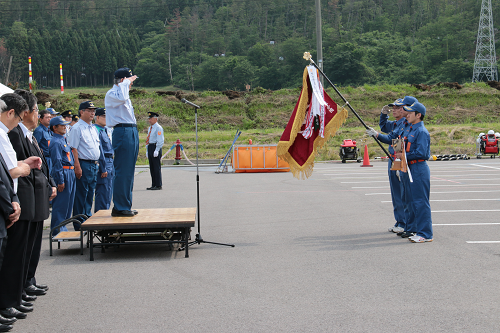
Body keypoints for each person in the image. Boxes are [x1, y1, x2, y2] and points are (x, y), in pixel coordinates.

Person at [0, 93, 41, 323]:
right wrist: (20, 170)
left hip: (11, 198)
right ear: (10, 113)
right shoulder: (7, 134)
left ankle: (12, 299)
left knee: (16, 254)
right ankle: (7, 302)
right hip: (7, 201)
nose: (20, 122)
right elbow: (5, 173)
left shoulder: (6, 134)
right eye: (19, 117)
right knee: (10, 256)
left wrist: (22, 166)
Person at [13, 90, 56, 300]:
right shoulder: (14, 134)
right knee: (21, 248)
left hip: (37, 196)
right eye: (37, 110)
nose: (39, 115)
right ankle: (19, 288)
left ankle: (29, 281)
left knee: (32, 246)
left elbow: (43, 165)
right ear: (27, 112)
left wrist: (51, 184)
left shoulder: (29, 135)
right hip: (24, 197)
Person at [378, 96, 417, 234]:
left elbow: (395, 141)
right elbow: (385, 128)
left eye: (398, 107)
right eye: (393, 108)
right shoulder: (396, 124)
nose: (394, 110)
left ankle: (405, 222)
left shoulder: (406, 123)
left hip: (399, 158)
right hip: (394, 158)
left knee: (403, 192)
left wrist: (398, 162)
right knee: (396, 191)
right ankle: (400, 221)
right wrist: (383, 116)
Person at [104, 67, 139, 217]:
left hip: (130, 131)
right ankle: (120, 206)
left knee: (129, 171)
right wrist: (126, 83)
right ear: (123, 80)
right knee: (123, 171)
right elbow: (123, 97)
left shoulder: (122, 92)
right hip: (123, 131)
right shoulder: (113, 93)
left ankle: (125, 204)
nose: (132, 84)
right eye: (130, 81)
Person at [401, 102, 433, 243]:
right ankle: (419, 230)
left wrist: (404, 156)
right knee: (414, 201)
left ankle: (425, 234)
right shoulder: (412, 129)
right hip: (411, 167)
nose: (407, 114)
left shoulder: (421, 131)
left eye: (410, 112)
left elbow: (422, 153)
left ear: (418, 115)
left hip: (418, 168)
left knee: (421, 202)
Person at [67, 101, 100, 221]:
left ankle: (87, 217)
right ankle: (79, 221)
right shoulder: (77, 128)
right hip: (83, 164)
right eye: (89, 110)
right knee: (82, 194)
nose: (93, 113)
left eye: (93, 111)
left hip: (93, 164)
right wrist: (77, 166)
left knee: (90, 194)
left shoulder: (92, 128)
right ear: (82, 112)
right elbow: (73, 148)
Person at [49, 116, 76, 236]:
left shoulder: (63, 139)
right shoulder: (55, 141)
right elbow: (57, 162)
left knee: (68, 204)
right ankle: (58, 230)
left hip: (70, 172)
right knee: (61, 203)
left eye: (66, 125)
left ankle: (63, 227)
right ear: (55, 128)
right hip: (63, 173)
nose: (65, 127)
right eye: (62, 125)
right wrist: (60, 180)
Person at [94, 108, 114, 212]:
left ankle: (104, 215)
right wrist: (103, 167)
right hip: (105, 162)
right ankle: (100, 219)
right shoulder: (96, 130)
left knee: (108, 193)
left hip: (110, 162)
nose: (107, 119)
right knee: (103, 193)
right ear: (97, 117)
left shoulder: (104, 129)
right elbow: (100, 151)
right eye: (104, 116)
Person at [146, 112, 164, 190]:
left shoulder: (158, 128)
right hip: (150, 146)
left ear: (155, 119)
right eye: (149, 119)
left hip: (155, 147)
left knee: (156, 167)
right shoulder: (150, 128)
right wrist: (147, 150)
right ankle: (153, 184)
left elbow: (160, 140)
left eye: (151, 118)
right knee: (152, 167)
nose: (149, 120)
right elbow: (148, 139)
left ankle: (158, 184)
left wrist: (157, 149)